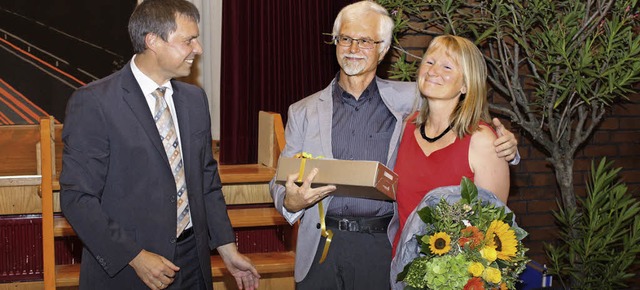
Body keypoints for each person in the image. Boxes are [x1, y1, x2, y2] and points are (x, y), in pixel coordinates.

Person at [269, 1, 518, 289]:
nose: (352, 48)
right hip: (321, 246)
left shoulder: (412, 98)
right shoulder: (303, 111)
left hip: (383, 247)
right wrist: (290, 201)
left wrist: (508, 150)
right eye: (346, 39)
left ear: (383, 49)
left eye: (364, 41)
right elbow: (279, 179)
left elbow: (462, 116)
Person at [59, 1, 259, 289]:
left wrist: (226, 247)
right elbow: (77, 199)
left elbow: (206, 180)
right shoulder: (95, 102)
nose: (198, 49)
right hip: (129, 269)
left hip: (193, 262)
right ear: (152, 40)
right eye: (188, 40)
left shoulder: (194, 100)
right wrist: (136, 257)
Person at [391, 34, 511, 254]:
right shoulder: (405, 128)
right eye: (429, 62)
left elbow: (494, 226)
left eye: (447, 67)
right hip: (401, 269)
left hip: (457, 276)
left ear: (466, 85)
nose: (433, 71)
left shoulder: (482, 141)